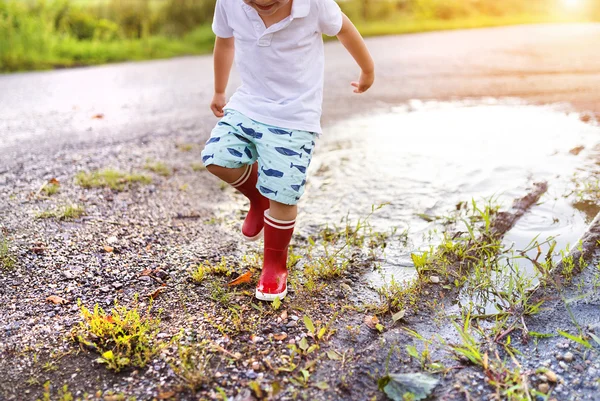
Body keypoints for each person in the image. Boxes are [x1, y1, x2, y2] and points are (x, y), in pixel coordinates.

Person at [201, 0, 374, 301]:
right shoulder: (229, 3)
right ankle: (257, 198)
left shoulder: (316, 5)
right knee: (217, 157)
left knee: (282, 193)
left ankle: (274, 266)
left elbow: (344, 28)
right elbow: (225, 41)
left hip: (295, 115)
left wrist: (367, 70)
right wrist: (219, 89)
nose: (263, 3)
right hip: (249, 104)